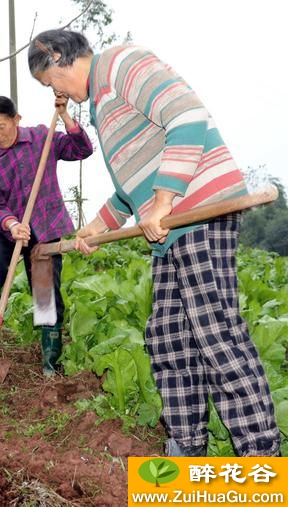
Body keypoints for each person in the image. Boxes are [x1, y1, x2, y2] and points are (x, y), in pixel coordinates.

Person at [28, 29, 280, 456]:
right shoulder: (103, 105)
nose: (55, 91)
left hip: (198, 210)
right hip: (168, 228)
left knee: (216, 335)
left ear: (57, 57)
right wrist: (95, 227)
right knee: (168, 339)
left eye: (49, 80)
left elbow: (186, 115)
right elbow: (131, 189)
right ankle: (186, 447)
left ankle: (260, 456)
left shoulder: (122, 64)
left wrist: (163, 199)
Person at [0, 95, 93, 376]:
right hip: (8, 230)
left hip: (45, 226)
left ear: (17, 119)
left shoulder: (42, 137)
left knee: (44, 290)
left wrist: (65, 116)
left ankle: (50, 365)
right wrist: (12, 223)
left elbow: (82, 149)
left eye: (2, 126)